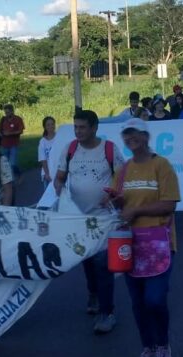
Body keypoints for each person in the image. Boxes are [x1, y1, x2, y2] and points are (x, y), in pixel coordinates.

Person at [108, 118, 180, 357]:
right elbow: (120, 207)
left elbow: (169, 204)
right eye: (126, 135)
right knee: (138, 302)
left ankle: (163, 345)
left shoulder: (161, 166)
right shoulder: (123, 170)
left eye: (135, 134)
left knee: (155, 299)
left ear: (146, 136)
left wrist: (136, 209)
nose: (130, 139)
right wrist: (116, 201)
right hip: (130, 244)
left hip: (159, 242)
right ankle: (147, 347)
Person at [55, 110, 125, 333]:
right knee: (87, 260)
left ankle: (107, 313)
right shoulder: (70, 149)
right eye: (76, 127)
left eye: (82, 127)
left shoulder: (109, 149)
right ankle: (93, 293)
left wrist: (113, 193)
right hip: (79, 219)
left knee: (103, 265)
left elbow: (122, 177)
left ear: (95, 128)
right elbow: (59, 178)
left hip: (104, 219)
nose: (78, 131)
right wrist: (60, 193)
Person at [0, 104, 25, 178]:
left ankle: (17, 175)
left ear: (12, 111)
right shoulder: (3, 119)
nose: (6, 114)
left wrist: (10, 133)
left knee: (12, 164)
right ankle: (10, 181)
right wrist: (1, 134)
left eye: (8, 112)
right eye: (5, 112)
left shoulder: (18, 119)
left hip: (14, 144)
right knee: (5, 164)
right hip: (4, 144)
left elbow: (20, 131)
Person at [38, 116, 56, 192]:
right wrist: (47, 174)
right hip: (48, 173)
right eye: (48, 125)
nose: (51, 126)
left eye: (52, 124)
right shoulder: (43, 142)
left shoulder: (59, 137)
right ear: (45, 127)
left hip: (59, 172)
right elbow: (43, 159)